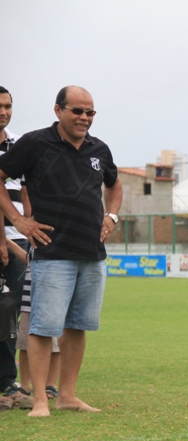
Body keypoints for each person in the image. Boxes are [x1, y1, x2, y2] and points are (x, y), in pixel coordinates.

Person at [0, 85, 123, 417]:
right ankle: (40, 399)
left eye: (90, 112)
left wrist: (111, 215)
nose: (84, 118)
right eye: (77, 111)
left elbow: (114, 183)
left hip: (92, 253)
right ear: (58, 110)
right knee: (42, 327)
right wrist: (18, 220)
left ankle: (67, 395)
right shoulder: (35, 143)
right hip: (52, 252)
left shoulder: (100, 149)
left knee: (78, 326)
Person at [0, 86, 33, 409]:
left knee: (14, 312)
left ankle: (11, 382)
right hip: (6, 241)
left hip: (19, 242)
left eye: (8, 105)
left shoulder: (19, 146)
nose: (3, 111)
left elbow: (27, 191)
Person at [8, 240, 61, 402]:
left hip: (54, 298)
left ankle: (50, 384)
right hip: (29, 300)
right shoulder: (34, 242)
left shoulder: (58, 241)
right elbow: (29, 260)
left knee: (55, 345)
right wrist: (9, 243)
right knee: (24, 344)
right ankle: (25, 386)